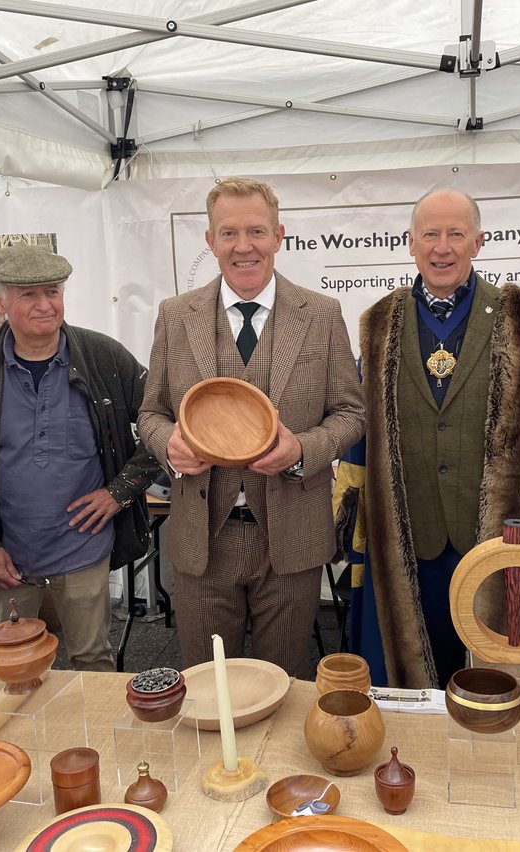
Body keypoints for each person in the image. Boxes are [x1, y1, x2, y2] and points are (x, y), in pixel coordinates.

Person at [335, 188, 520, 691]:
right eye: (430, 234)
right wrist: (351, 528)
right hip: (406, 536)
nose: (442, 247)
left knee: (494, 681)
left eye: (456, 234)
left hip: (499, 539)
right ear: (411, 243)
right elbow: (358, 437)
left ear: (478, 242)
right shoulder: (377, 326)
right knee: (409, 677)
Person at [138, 177, 365, 678]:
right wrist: (169, 445)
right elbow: (150, 414)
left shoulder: (321, 315)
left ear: (279, 235)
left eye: (257, 231)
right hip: (203, 538)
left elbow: (352, 413)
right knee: (206, 683)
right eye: (229, 233)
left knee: (282, 681)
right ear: (210, 240)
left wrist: (302, 450)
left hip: (291, 537)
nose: (244, 246)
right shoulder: (176, 316)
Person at [0, 245, 159, 670]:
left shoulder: (102, 357)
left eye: (53, 291)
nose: (45, 305)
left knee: (91, 661)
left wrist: (119, 492)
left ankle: (93, 740)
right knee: (11, 665)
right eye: (28, 295)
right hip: (7, 555)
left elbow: (162, 424)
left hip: (83, 548)